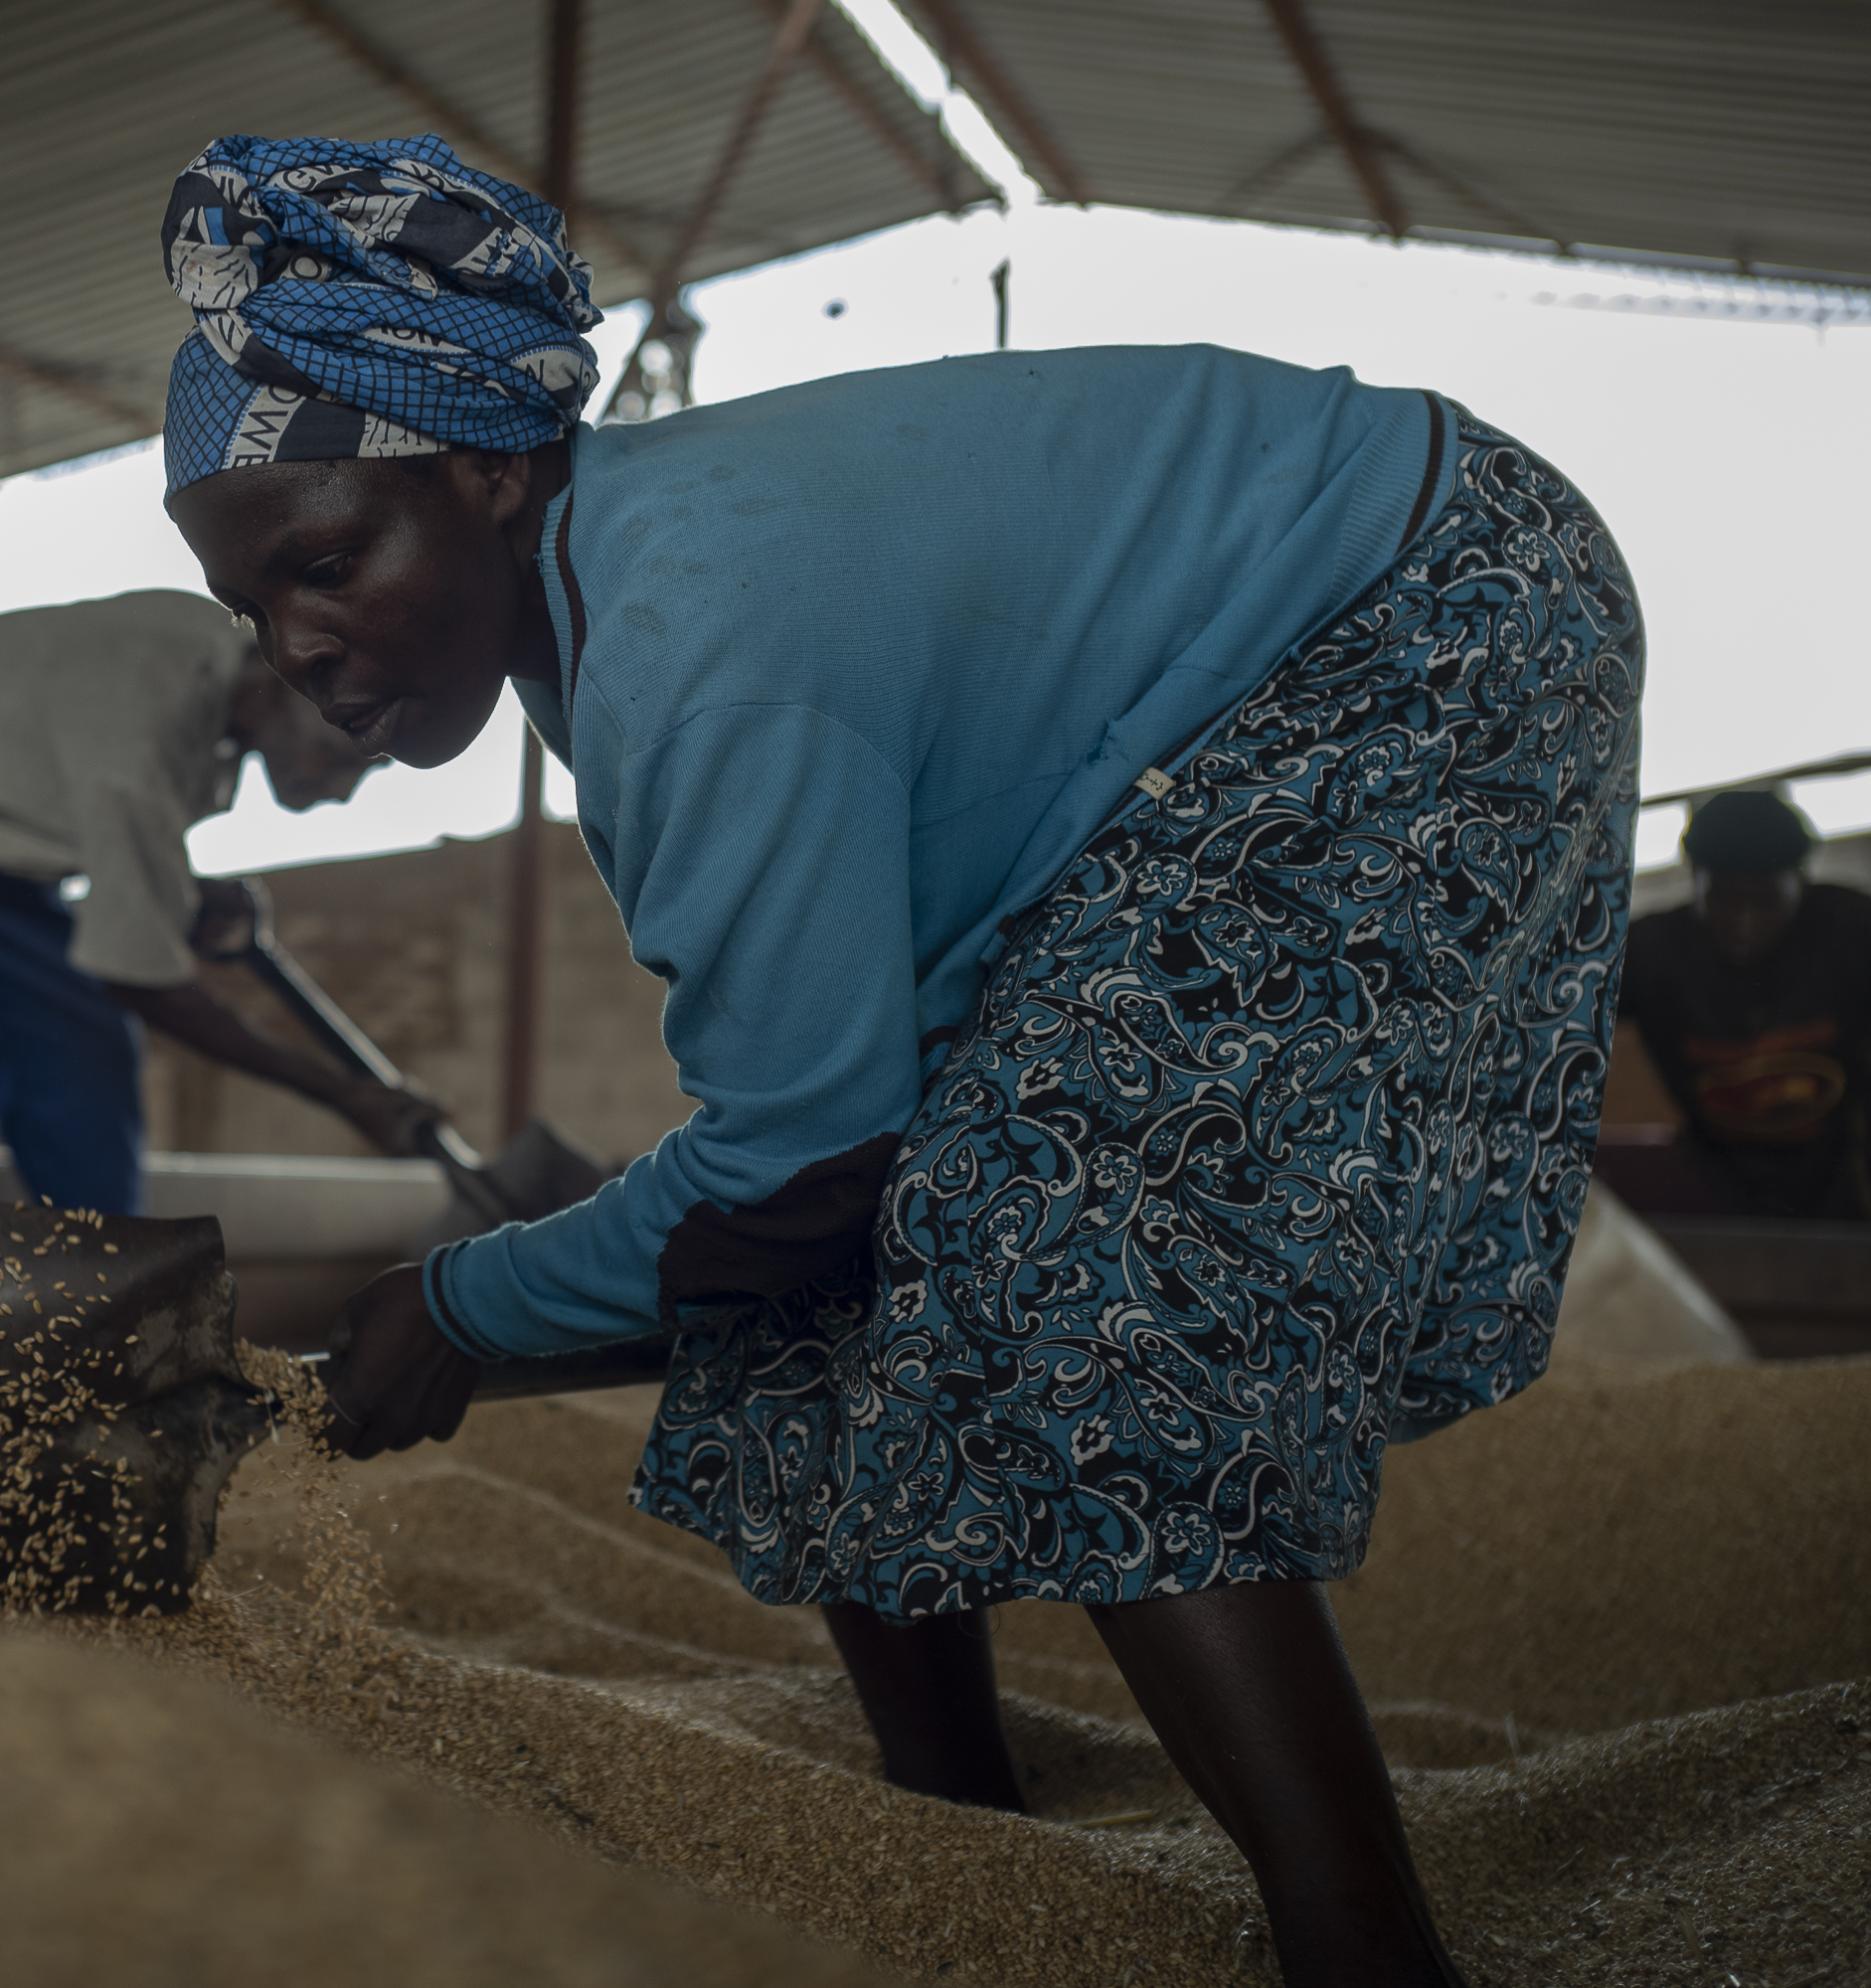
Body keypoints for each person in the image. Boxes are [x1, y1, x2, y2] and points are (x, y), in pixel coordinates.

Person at [154, 135, 1643, 1987]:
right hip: (1191, 732)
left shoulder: (698, 638)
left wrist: (461, 1307)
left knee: (1071, 1232)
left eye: (324, 561)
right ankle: (950, 1832)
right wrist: (499, 1306)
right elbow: (807, 1183)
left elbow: (799, 1157)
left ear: (486, 467)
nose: (299, 648)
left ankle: (1365, 1956)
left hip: (1422, 612)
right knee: (833, 1258)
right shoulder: (609, 616)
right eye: (257, 611)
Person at [0, 589, 436, 1215]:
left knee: (81, 1034)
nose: (341, 790)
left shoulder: (217, 683)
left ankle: (97, 1278)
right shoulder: (153, 700)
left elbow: (113, 831)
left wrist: (177, 894)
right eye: (344, 757)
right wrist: (342, 1095)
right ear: (282, 688)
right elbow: (140, 977)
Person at [1617, 788, 1871, 1220]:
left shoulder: (1851, 929)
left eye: (1766, 901)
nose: (1744, 922)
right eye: (1723, 899)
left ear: (1801, 881)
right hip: (1715, 1190)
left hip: (1842, 1183)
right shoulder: (1652, 953)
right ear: (1694, 879)